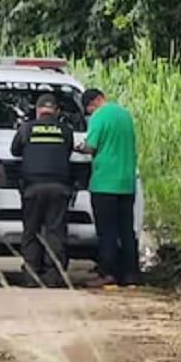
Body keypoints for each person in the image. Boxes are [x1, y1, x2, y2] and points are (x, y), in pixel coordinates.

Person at [76, 88, 139, 287]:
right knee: (126, 231)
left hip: (105, 183)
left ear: (91, 104)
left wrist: (78, 147)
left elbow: (91, 146)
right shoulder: (124, 114)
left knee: (107, 231)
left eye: (88, 110)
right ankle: (130, 274)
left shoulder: (99, 116)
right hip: (126, 183)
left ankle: (107, 273)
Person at [10, 94, 75, 288]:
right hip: (59, 188)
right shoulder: (66, 130)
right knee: (55, 231)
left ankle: (31, 276)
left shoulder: (26, 128)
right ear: (55, 111)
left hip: (33, 188)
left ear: (38, 110)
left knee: (31, 231)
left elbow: (15, 151)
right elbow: (68, 150)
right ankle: (54, 276)